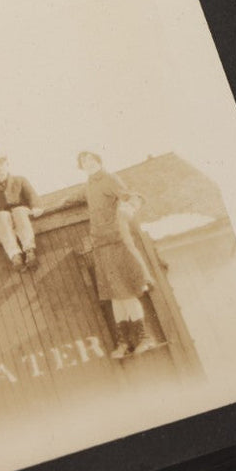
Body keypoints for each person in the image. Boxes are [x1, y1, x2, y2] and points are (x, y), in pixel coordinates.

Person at [78, 150, 159, 359]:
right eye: (83, 162)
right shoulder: (88, 185)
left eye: (91, 160)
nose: (88, 164)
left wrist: (129, 209)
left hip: (116, 240)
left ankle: (144, 338)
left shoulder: (109, 178)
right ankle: (124, 343)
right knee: (115, 296)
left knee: (126, 292)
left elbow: (130, 196)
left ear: (98, 161)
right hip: (100, 242)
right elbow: (76, 198)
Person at [0, 153, 42, 271]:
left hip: (21, 212)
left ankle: (29, 250)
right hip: (4, 217)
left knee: (18, 211)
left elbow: (32, 196)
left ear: (7, 165)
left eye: (1, 164)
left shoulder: (20, 180)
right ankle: (14, 255)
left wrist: (36, 207)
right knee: (1, 216)